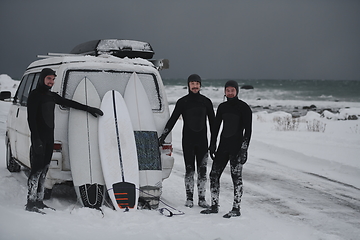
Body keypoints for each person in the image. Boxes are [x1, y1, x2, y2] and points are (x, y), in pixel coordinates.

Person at [26, 68, 103, 214]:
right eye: (49, 78)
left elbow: (69, 102)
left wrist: (88, 108)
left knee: (44, 171)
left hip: (49, 138)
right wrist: (36, 139)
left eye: (53, 79)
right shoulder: (35, 95)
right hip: (39, 139)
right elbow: (31, 119)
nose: (51, 82)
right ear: (42, 78)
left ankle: (39, 200)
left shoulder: (51, 96)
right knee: (36, 171)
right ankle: (30, 202)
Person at [158, 74, 215, 208]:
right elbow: (172, 120)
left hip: (203, 142)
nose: (195, 86)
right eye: (192, 83)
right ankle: (189, 198)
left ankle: (201, 199)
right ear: (188, 85)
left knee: (202, 171)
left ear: (200, 85)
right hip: (188, 141)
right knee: (189, 170)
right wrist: (162, 137)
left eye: (197, 83)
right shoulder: (182, 102)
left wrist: (213, 143)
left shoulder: (206, 102)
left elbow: (214, 124)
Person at [201, 80, 252, 218]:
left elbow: (248, 131)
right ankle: (214, 205)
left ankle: (236, 208)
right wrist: (212, 144)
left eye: (232, 90)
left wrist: (244, 149)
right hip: (223, 147)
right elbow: (216, 128)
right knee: (214, 175)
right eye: (228, 90)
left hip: (236, 148)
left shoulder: (244, 108)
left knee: (237, 178)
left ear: (237, 91)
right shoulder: (222, 107)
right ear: (225, 91)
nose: (230, 93)